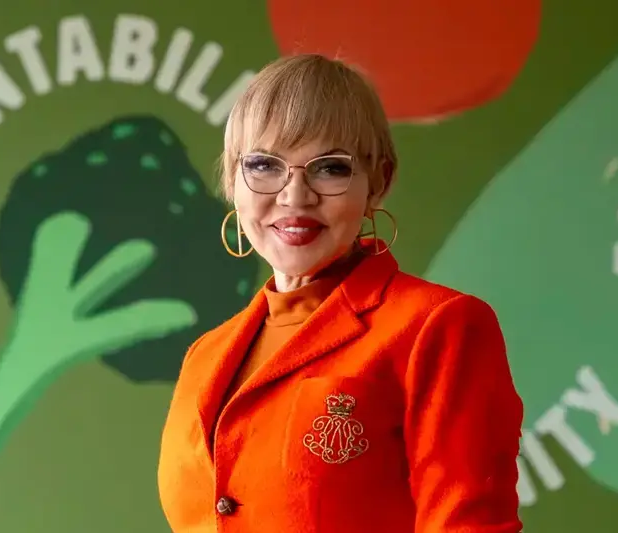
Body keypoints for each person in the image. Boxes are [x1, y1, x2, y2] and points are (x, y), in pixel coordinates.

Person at [157, 53, 524, 533]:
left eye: (330, 169)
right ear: (232, 182)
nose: (294, 196)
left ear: (379, 182)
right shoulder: (205, 356)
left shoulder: (438, 326)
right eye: (265, 165)